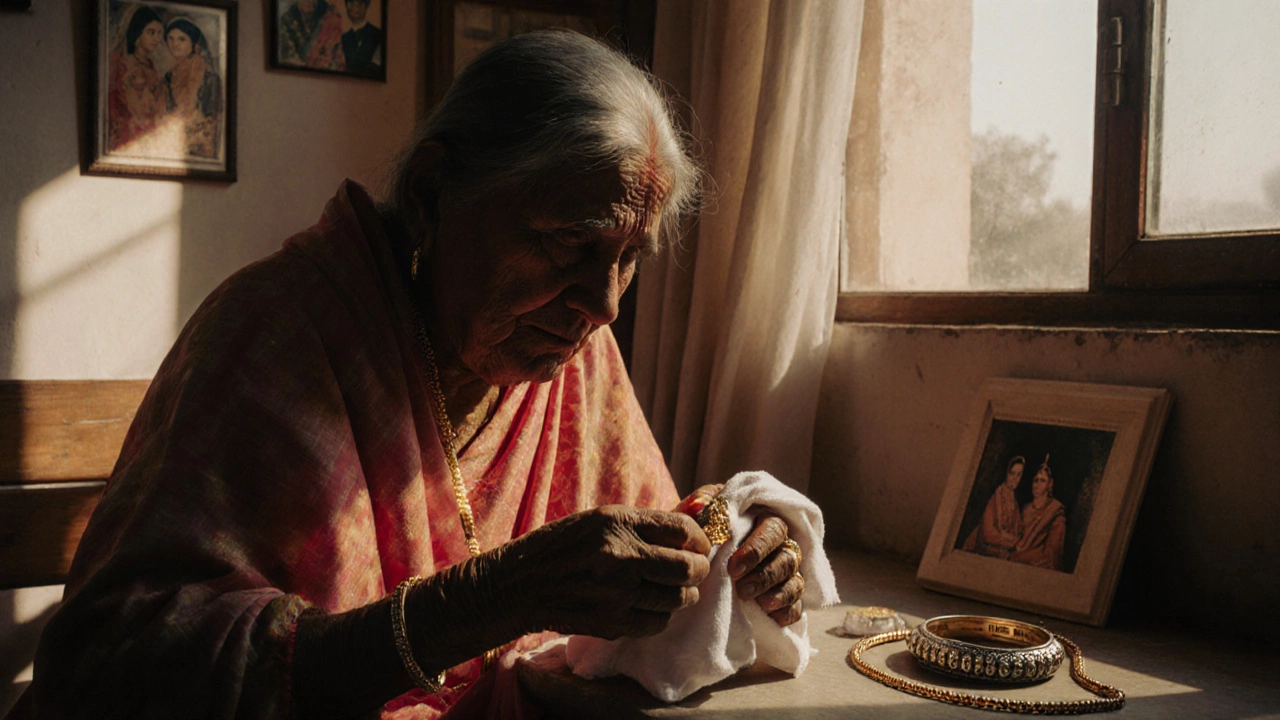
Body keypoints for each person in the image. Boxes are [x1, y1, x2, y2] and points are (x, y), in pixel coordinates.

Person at [25, 31, 805, 719]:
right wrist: (492, 599)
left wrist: (727, 554)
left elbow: (633, 557)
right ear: (433, 193)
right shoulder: (275, 334)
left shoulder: (569, 348)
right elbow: (113, 667)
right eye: (571, 242)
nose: (604, 305)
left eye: (629, 258)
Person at [107, 5, 166, 153]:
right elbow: (112, 99)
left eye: (159, 33)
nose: (157, 39)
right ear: (138, 33)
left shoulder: (152, 65)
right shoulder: (120, 62)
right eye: (151, 32)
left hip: (150, 134)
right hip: (127, 135)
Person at [163, 18, 222, 158]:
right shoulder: (169, 77)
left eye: (182, 39)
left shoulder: (208, 77)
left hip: (200, 146)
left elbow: (213, 117)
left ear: (194, 44)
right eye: (171, 39)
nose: (175, 44)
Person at [1010, 455, 1067, 571]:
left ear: (1050, 484)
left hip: (1036, 563)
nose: (1037, 485)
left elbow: (1052, 552)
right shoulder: (1026, 509)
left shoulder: (1056, 512)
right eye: (1035, 480)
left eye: (1042, 481)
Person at [961, 455, 1025, 559]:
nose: (1015, 479)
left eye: (1019, 474)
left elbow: (1017, 531)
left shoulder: (1014, 502)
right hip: (982, 549)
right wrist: (1012, 543)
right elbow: (988, 534)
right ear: (1006, 473)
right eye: (1012, 473)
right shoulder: (996, 498)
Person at [279, 0, 347, 71]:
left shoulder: (332, 17)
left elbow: (340, 57)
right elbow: (287, 58)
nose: (309, 2)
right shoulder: (286, 21)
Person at [341, 0, 383, 77]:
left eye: (360, 2)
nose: (356, 7)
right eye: (351, 2)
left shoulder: (378, 35)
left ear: (366, 5)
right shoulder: (343, 38)